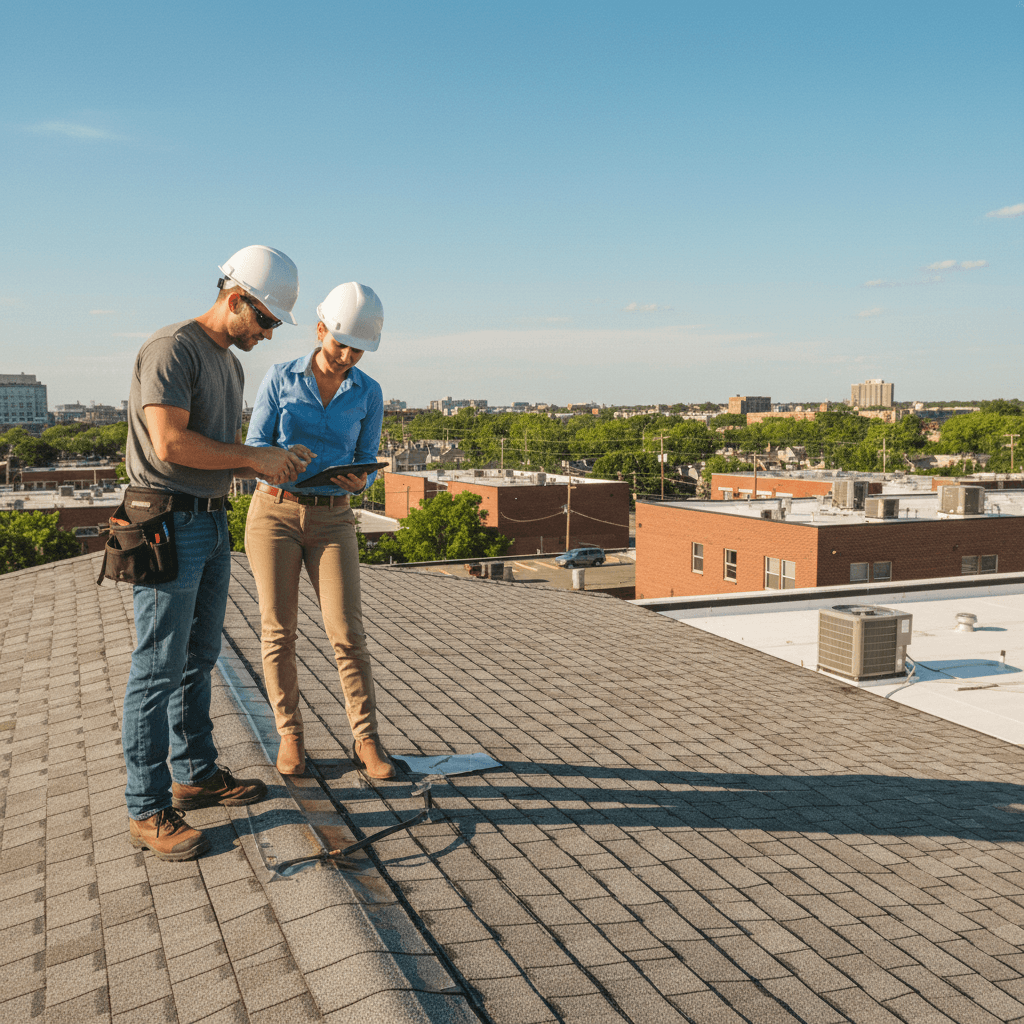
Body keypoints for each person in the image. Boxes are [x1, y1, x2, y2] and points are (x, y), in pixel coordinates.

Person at [121, 245, 310, 861]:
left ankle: (195, 773)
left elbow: (221, 449)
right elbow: (171, 443)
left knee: (199, 657)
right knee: (157, 669)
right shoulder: (173, 348)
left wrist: (270, 461)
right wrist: (252, 457)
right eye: (265, 320)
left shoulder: (227, 363)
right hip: (167, 524)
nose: (267, 333)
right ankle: (147, 809)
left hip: (208, 520)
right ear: (236, 299)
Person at [244, 282, 394, 780]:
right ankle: (290, 735)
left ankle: (366, 740)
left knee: (347, 632)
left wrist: (361, 477)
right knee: (278, 632)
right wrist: (278, 464)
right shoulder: (279, 377)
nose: (348, 356)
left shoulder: (368, 392)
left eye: (358, 350)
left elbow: (365, 460)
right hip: (275, 514)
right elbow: (254, 447)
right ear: (320, 330)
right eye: (340, 344)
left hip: (333, 518)